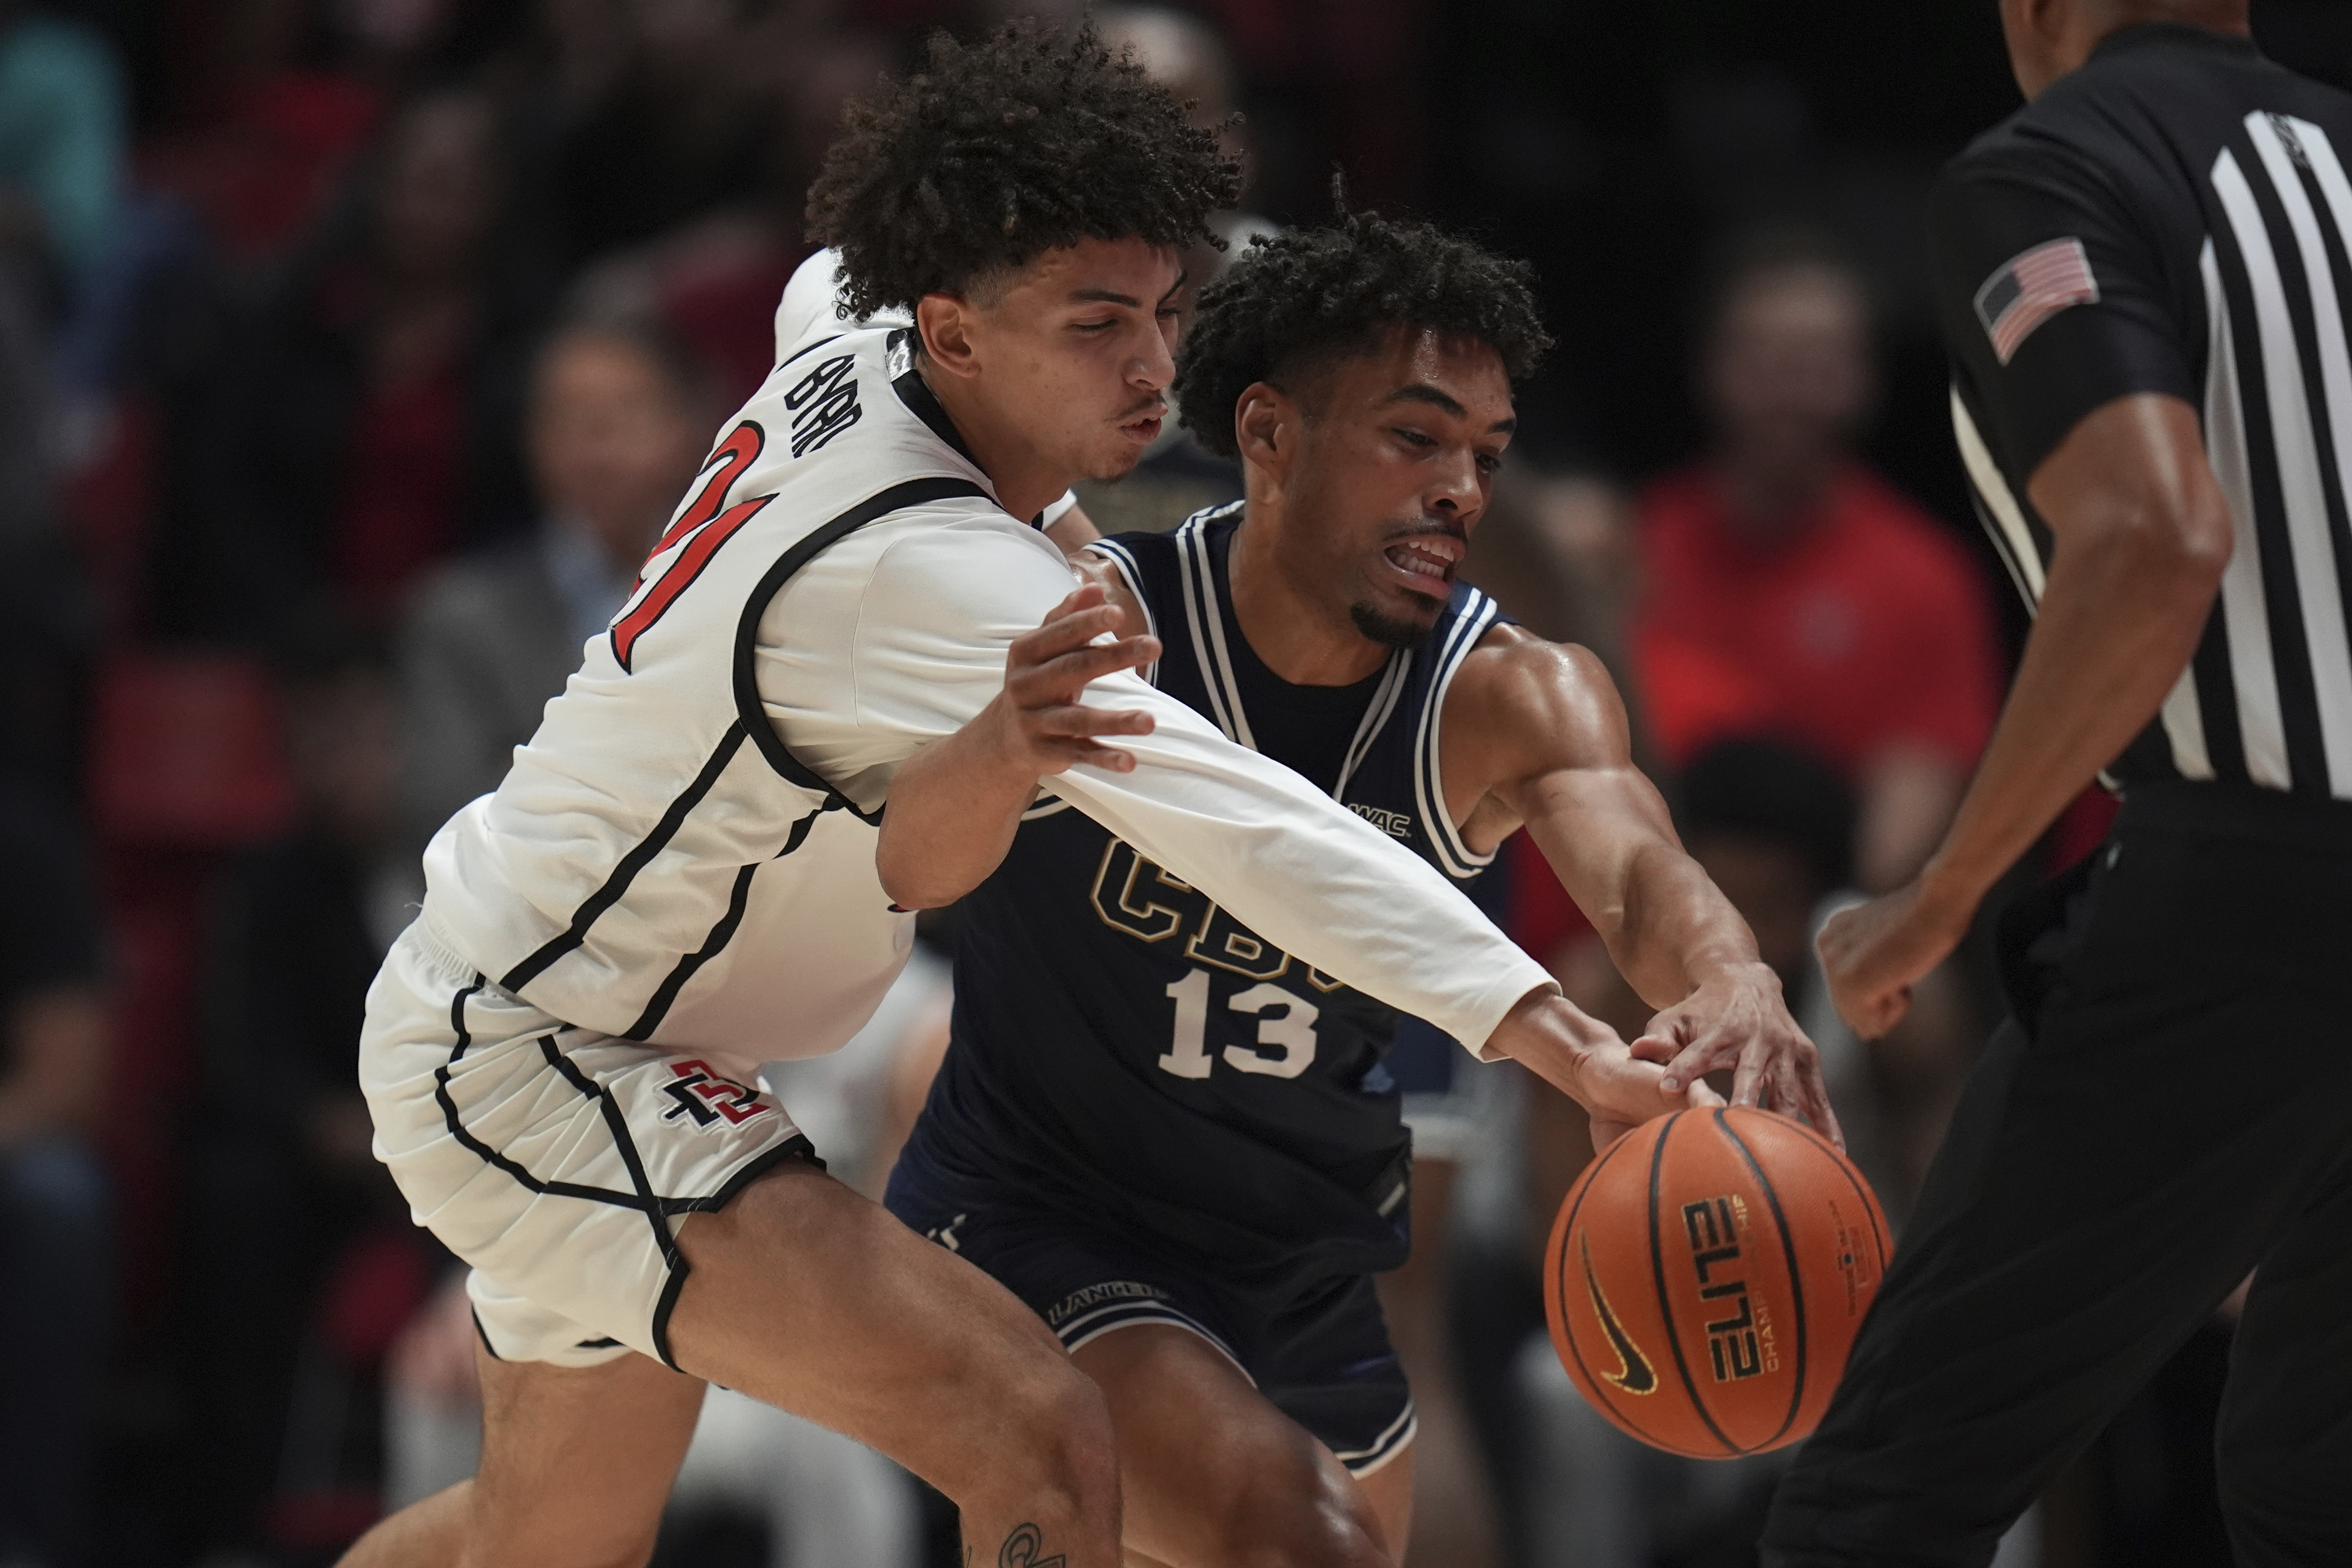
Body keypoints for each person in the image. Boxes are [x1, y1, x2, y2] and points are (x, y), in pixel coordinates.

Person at [338, 23, 1717, 1568]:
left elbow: (834, 262)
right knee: (1038, 1427)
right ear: (959, 331)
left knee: (534, 1543)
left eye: (1160, 313)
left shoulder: (849, 328)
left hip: (583, 1003)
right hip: (548, 1045)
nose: (1152, 367)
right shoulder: (934, 573)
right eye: (1093, 323)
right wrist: (1544, 1027)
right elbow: (1244, 824)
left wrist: (1055, 503)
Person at [877, 210, 1837, 1566]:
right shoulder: (1094, 620)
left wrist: (1730, 972)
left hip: (1302, 1260)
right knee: (1294, 1536)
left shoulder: (1511, 692)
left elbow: (1637, 871)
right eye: (1416, 437)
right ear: (1267, 434)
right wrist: (997, 746)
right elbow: (910, 864)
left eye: (1486, 457)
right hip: (1041, 1212)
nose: (1462, 491)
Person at [1762, 3, 2352, 1565]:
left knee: (1874, 1503)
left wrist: (1940, 894)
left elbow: (2154, 534)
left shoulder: (2050, 163)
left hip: (2255, 893)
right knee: (2315, 1485)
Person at [1632, 232, 2003, 894]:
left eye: (1819, 360)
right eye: (1768, 358)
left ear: (1865, 378)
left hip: (1818, 914)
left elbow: (1901, 832)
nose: (1792, 389)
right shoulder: (1632, 548)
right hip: (1643, 889)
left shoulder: (1925, 577)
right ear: (1712, 366)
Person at [396, 316, 712, 858]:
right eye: (571, 420)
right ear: (532, 442)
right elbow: (443, 804)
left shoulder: (741, 593)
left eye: (624, 415)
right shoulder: (461, 615)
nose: (598, 448)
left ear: (691, 429)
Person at [0, 774, 109, 1568]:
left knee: (57, 1198)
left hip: (8, 1143)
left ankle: (25, 1536)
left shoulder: (23, 843)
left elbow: (65, 1076)